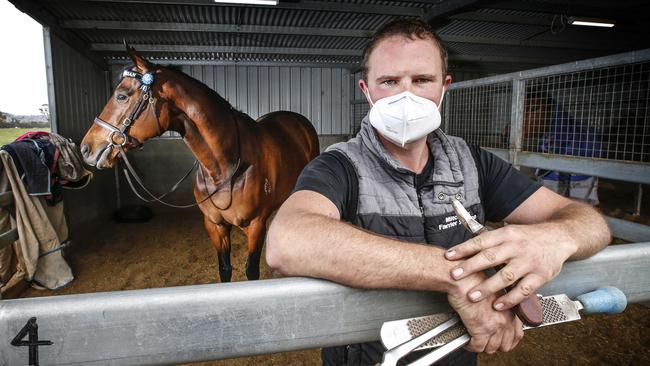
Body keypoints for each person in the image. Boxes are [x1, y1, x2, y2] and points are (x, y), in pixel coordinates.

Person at [265, 19, 611, 366]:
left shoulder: (473, 164)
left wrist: (554, 238)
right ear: (366, 90)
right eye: (389, 82)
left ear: (445, 86)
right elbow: (287, 241)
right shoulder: (339, 166)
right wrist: (456, 277)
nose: (405, 95)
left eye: (422, 80)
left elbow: (591, 224)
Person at [522, 89, 603, 206]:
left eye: (534, 109)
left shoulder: (562, 127)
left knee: (581, 204)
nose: (528, 116)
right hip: (567, 163)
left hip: (583, 163)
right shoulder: (551, 128)